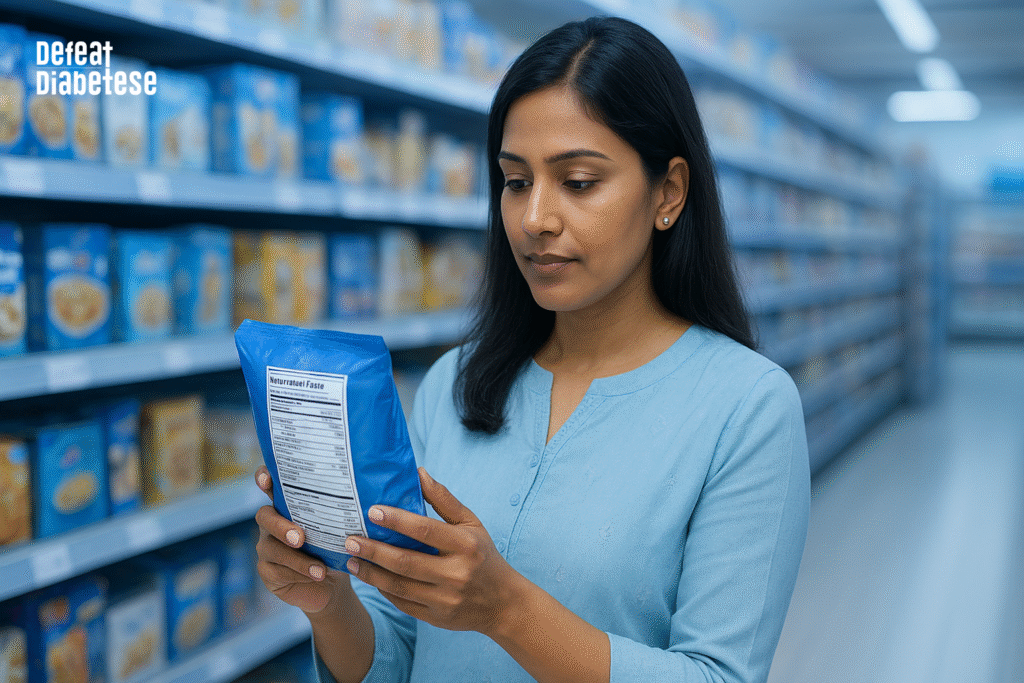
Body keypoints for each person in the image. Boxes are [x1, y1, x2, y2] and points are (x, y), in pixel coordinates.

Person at [253, 15, 810, 683]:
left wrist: (505, 609)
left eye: (577, 182)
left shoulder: (746, 407)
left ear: (668, 192)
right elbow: (396, 654)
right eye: (516, 181)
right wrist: (329, 601)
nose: (534, 218)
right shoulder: (454, 384)